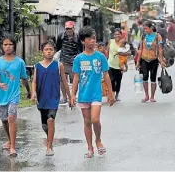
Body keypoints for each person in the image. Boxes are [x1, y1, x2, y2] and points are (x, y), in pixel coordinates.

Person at [71, 26, 114, 158]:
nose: (92, 41)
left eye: (94, 38)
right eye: (89, 38)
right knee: (87, 121)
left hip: (96, 94)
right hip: (83, 95)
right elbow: (76, 77)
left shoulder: (100, 57)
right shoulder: (79, 58)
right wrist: (73, 94)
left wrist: (111, 93)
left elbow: (106, 75)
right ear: (83, 41)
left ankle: (98, 140)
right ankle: (90, 147)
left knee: (95, 119)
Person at [0, 35, 31, 157]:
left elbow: (24, 78)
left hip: (14, 95)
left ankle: (12, 147)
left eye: (10, 44)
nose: (7, 47)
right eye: (5, 44)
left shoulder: (20, 62)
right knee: (4, 120)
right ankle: (9, 140)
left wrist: (29, 91)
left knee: (11, 118)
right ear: (2, 46)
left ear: (14, 46)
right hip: (1, 96)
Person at [31, 41, 73, 156]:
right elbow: (34, 81)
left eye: (51, 49)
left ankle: (49, 147)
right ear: (42, 52)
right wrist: (33, 92)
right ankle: (50, 137)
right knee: (45, 125)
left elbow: (64, 81)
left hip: (53, 98)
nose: (49, 51)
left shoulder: (58, 65)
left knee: (51, 120)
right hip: (41, 98)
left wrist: (70, 97)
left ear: (54, 51)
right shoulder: (37, 66)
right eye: (46, 49)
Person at [136, 21, 166, 103]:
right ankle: (146, 95)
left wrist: (162, 61)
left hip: (154, 60)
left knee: (153, 78)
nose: (145, 30)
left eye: (146, 29)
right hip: (144, 60)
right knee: (145, 78)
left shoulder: (157, 36)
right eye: (144, 29)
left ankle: (152, 96)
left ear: (151, 28)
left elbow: (160, 49)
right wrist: (138, 61)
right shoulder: (143, 36)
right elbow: (140, 49)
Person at [56, 21, 83, 105]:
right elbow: (58, 47)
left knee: (75, 80)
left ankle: (73, 96)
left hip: (74, 61)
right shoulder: (61, 36)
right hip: (63, 60)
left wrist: (79, 61)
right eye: (67, 29)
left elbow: (80, 50)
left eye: (70, 29)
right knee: (62, 80)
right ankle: (64, 98)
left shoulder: (78, 37)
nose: (68, 31)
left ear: (73, 28)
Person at [107, 29, 131, 101]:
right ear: (114, 35)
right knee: (111, 80)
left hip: (120, 65)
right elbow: (107, 51)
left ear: (121, 35)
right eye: (116, 34)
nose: (117, 35)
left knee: (118, 81)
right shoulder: (111, 41)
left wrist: (122, 54)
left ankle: (117, 96)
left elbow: (129, 53)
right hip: (110, 64)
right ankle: (112, 94)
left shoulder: (124, 43)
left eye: (118, 34)